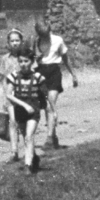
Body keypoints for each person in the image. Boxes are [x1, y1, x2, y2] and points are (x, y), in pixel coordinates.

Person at [35, 19, 78, 149]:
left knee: (50, 104)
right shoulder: (36, 42)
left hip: (54, 72)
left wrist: (73, 74)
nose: (45, 37)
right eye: (42, 35)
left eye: (46, 34)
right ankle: (53, 136)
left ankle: (49, 138)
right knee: (46, 107)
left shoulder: (58, 40)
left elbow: (65, 58)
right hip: (40, 73)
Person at [7, 45, 47, 173]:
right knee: (25, 137)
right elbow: (8, 95)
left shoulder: (38, 77)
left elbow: (44, 94)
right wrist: (24, 105)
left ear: (32, 61)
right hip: (20, 111)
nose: (23, 64)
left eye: (26, 61)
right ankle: (34, 157)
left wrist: (51, 109)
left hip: (33, 111)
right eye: (20, 61)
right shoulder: (13, 76)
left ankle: (27, 165)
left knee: (29, 136)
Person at [0, 29, 26, 161]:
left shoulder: (27, 57)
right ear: (8, 43)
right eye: (12, 41)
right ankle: (14, 151)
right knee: (13, 122)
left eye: (17, 40)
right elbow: (3, 78)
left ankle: (29, 149)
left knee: (24, 123)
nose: (15, 43)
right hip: (10, 95)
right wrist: (5, 96)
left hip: (24, 94)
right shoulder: (5, 59)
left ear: (21, 42)